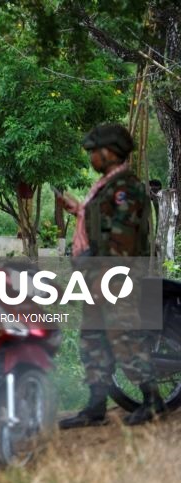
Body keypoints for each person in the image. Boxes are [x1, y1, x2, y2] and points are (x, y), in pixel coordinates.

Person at [58, 124, 163, 429]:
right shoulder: (108, 185)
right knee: (93, 339)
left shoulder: (125, 188)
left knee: (124, 335)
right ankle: (94, 407)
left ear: (110, 152)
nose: (91, 157)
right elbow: (102, 224)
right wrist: (80, 210)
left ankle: (153, 400)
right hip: (97, 275)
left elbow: (123, 238)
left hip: (115, 275)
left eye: (94, 152)